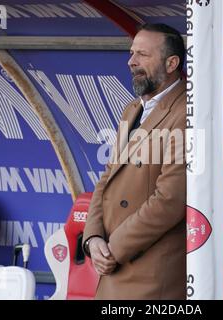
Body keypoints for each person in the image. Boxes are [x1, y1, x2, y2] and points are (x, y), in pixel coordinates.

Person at [82, 23, 187, 300]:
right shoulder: (132, 109)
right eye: (131, 53)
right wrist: (92, 238)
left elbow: (170, 200)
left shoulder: (187, 113)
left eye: (143, 55)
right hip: (113, 266)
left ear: (171, 63)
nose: (132, 61)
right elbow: (107, 178)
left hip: (150, 275)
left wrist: (114, 248)